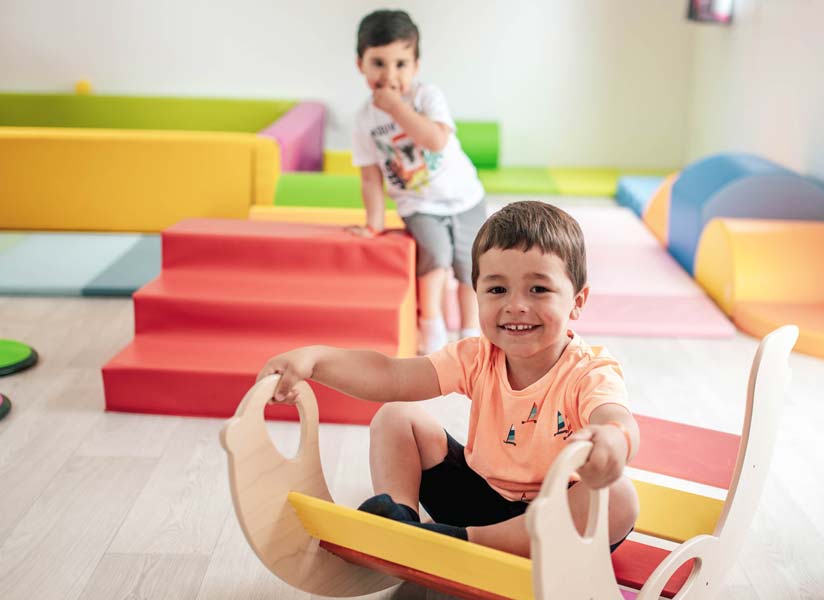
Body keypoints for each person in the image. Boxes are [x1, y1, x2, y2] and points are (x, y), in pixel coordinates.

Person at [259, 201, 640, 557]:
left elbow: (617, 419)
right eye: (497, 289)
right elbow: (390, 376)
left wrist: (611, 439)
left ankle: (452, 543)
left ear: (577, 301)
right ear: (476, 295)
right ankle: (401, 521)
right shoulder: (476, 356)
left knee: (618, 496)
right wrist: (317, 360)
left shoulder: (588, 371)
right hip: (478, 500)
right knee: (396, 416)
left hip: (555, 520)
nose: (515, 305)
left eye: (538, 289)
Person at [349, 9, 487, 355]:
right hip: (419, 204)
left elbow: (436, 140)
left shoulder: (426, 97)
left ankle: (470, 332)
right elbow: (370, 176)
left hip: (465, 197)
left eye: (400, 64)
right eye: (378, 63)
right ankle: (432, 327)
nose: (389, 75)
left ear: (416, 66)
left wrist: (397, 109)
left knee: (471, 269)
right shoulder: (364, 119)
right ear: (360, 65)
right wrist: (374, 224)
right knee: (436, 258)